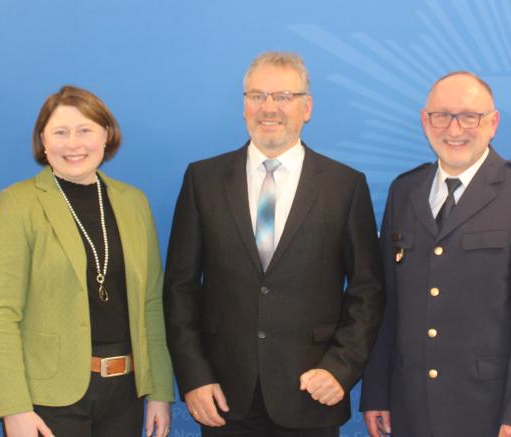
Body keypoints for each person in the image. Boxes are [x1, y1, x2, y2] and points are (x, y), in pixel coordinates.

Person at [163, 51, 384, 436]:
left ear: (307, 107)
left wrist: (341, 368)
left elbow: (367, 289)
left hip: (311, 392)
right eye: (257, 96)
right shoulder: (203, 179)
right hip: (223, 398)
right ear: (244, 104)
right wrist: (194, 377)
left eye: (283, 96)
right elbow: (180, 288)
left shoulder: (345, 186)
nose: (269, 108)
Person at [359, 72, 511, 437]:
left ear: (493, 123)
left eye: (470, 116)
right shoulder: (404, 191)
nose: (455, 129)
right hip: (410, 406)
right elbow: (387, 304)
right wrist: (376, 390)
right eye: (442, 116)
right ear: (425, 121)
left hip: (489, 409)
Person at [0, 85, 174, 437]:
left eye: (85, 130)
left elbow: (151, 305)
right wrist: (14, 407)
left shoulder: (134, 203)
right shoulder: (18, 203)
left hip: (125, 395)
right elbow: (0, 316)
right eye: (60, 132)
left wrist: (160, 391)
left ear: (106, 135)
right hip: (50, 400)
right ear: (43, 140)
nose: (74, 144)